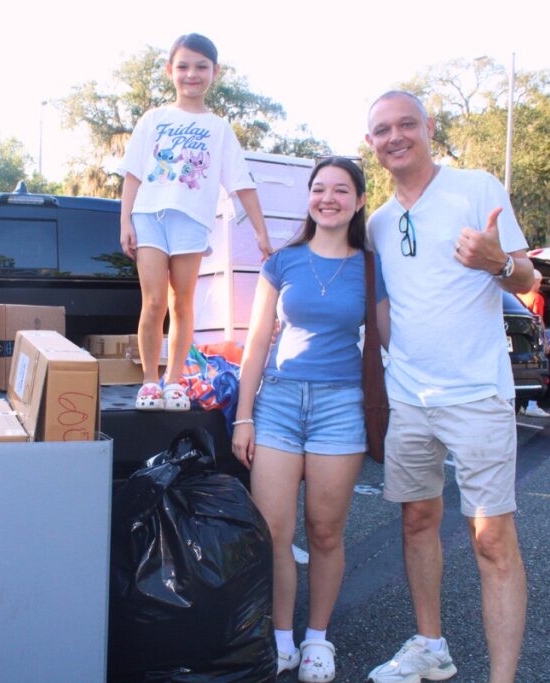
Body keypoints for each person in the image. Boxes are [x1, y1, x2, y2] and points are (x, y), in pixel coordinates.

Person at [364, 91, 534, 683]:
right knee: (416, 521)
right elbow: (388, 306)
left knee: (490, 538)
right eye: (382, 129)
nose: (395, 136)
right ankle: (430, 647)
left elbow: (528, 274)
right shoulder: (379, 222)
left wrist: (497, 262)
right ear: (372, 144)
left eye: (406, 124)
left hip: (477, 394)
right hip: (409, 398)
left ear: (428, 128)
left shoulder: (476, 187)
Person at [231, 156, 389, 682]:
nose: (328, 198)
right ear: (309, 198)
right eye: (319, 188)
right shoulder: (283, 261)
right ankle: (281, 638)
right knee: (274, 530)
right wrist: (243, 417)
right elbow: (256, 343)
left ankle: (318, 639)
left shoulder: (371, 266)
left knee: (324, 532)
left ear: (359, 200)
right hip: (276, 403)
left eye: (341, 190)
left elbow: (390, 338)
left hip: (341, 407)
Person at [119, 33, 271, 412]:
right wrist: (125, 222)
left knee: (182, 302)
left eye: (201, 66)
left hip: (191, 222)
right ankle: (150, 381)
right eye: (183, 66)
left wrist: (261, 231)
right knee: (153, 301)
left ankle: (175, 381)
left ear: (214, 72)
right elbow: (133, 175)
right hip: (149, 216)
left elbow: (241, 183)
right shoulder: (154, 119)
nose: (192, 74)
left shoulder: (219, 128)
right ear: (171, 71)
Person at [518, 271, 550, 417]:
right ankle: (532, 404)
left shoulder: (517, 296)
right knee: (537, 369)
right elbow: (538, 321)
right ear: (534, 281)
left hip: (521, 338)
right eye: (539, 282)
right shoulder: (537, 298)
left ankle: (520, 405)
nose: (540, 285)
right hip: (533, 338)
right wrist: (545, 341)